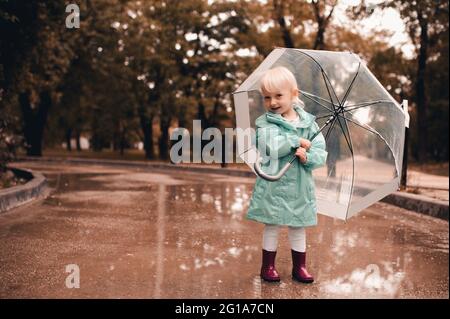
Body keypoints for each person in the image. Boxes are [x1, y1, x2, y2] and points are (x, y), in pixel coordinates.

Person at [247, 66, 327, 283]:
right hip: (274, 183)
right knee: (272, 224)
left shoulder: (310, 124)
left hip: (299, 185)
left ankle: (299, 267)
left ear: (294, 94)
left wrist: (307, 157)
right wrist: (295, 142)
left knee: (298, 225)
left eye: (278, 96)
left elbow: (320, 152)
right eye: (267, 97)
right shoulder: (266, 122)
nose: (272, 102)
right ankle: (268, 266)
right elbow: (269, 146)